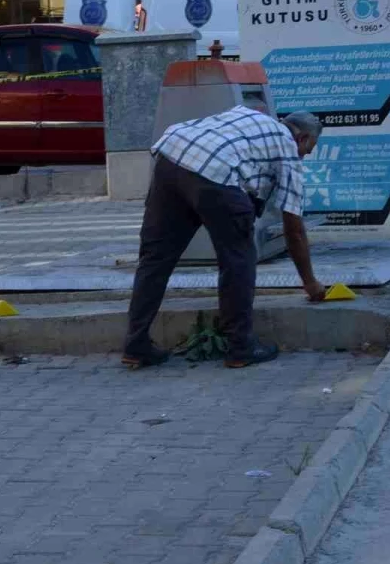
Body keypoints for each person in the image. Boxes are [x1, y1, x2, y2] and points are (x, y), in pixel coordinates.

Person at [123, 107, 326, 370]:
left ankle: (135, 344)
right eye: (307, 151)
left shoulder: (251, 116)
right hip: (216, 173)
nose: (304, 156)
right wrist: (310, 282)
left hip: (172, 155)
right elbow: (294, 228)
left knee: (155, 259)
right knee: (238, 259)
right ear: (303, 138)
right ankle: (241, 346)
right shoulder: (288, 149)